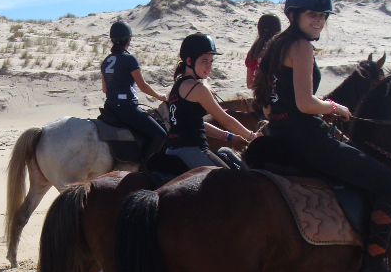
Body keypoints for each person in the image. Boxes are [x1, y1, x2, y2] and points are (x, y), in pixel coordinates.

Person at [252, 0, 391, 272]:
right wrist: (334, 107)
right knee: (390, 184)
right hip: (308, 142)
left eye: (323, 15)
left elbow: (268, 105)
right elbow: (305, 103)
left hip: (279, 138)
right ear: (294, 14)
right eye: (312, 14)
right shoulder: (301, 46)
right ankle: (375, 265)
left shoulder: (275, 47)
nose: (319, 21)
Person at [166, 33, 256, 169]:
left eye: (211, 61)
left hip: (173, 150)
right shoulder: (197, 88)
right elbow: (225, 120)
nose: (209, 66)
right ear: (189, 61)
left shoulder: (178, 85)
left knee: (226, 152)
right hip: (193, 152)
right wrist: (252, 136)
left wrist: (229, 137)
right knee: (237, 178)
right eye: (204, 61)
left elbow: (196, 123)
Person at [101, 21, 167, 167]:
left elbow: (105, 89)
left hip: (109, 108)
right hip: (127, 108)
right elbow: (143, 86)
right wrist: (160, 96)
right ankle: (146, 167)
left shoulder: (106, 61)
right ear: (129, 39)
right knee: (161, 135)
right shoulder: (129, 59)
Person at [245, 13, 281, 89]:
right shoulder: (281, 48)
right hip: (278, 93)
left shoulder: (254, 51)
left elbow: (249, 84)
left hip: (259, 93)